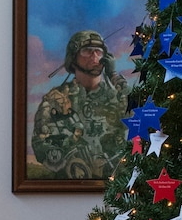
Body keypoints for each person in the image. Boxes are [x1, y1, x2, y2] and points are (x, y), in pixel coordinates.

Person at [31, 28, 127, 180]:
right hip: (69, 183)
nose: (95, 56)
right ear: (73, 58)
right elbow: (40, 142)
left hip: (115, 183)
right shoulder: (56, 98)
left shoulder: (117, 96)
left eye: (99, 51)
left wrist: (114, 76)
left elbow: (138, 114)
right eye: (87, 51)